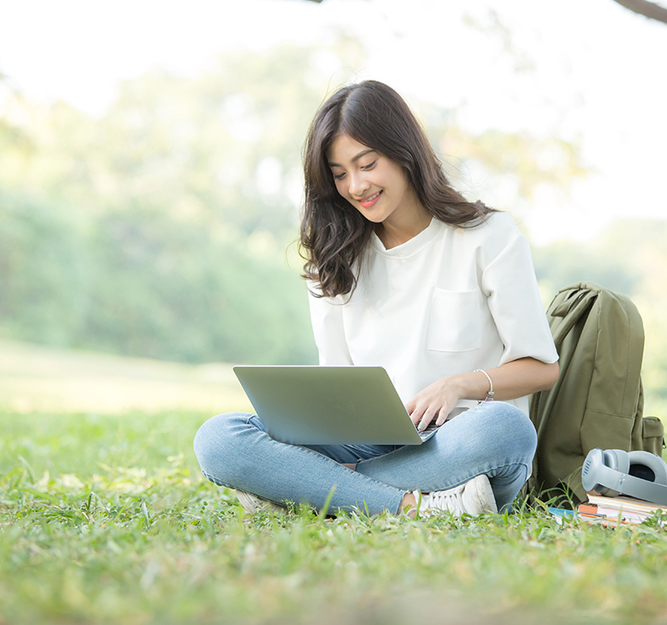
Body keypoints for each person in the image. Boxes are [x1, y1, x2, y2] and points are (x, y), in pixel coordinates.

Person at [193, 80, 559, 517]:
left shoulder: (488, 237)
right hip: (366, 442)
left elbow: (542, 368)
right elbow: (339, 388)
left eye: (367, 164)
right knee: (217, 438)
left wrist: (459, 384)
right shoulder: (336, 257)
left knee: (508, 429)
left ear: (404, 151)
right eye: (339, 173)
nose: (356, 185)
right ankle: (411, 506)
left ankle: (311, 491)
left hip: (453, 442)